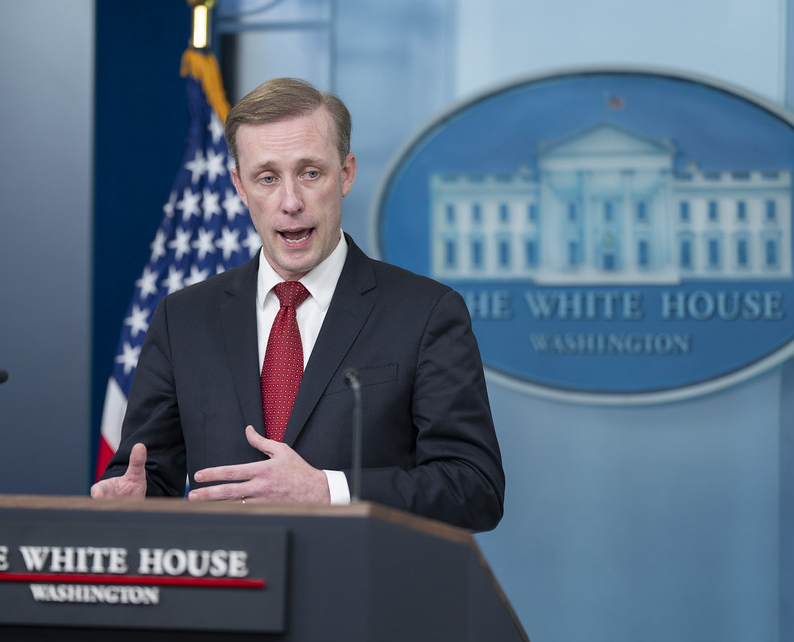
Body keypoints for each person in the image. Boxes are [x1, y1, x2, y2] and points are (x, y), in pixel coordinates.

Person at [92, 77, 505, 532]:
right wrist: (133, 496)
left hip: (360, 593)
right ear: (240, 187)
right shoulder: (183, 319)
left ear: (345, 174)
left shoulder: (426, 314)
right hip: (227, 595)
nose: (290, 202)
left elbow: (474, 487)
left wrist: (327, 491)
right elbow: (149, 473)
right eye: (267, 178)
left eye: (310, 173)